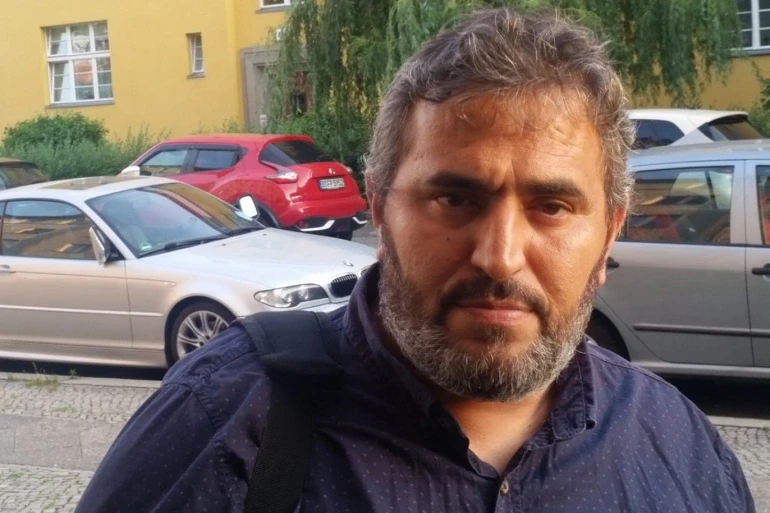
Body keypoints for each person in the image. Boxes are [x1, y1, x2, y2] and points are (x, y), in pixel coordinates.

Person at [75, 7, 755, 513]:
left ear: (607, 237)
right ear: (379, 208)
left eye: (551, 206)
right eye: (455, 199)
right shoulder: (220, 423)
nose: (499, 257)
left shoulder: (675, 443)